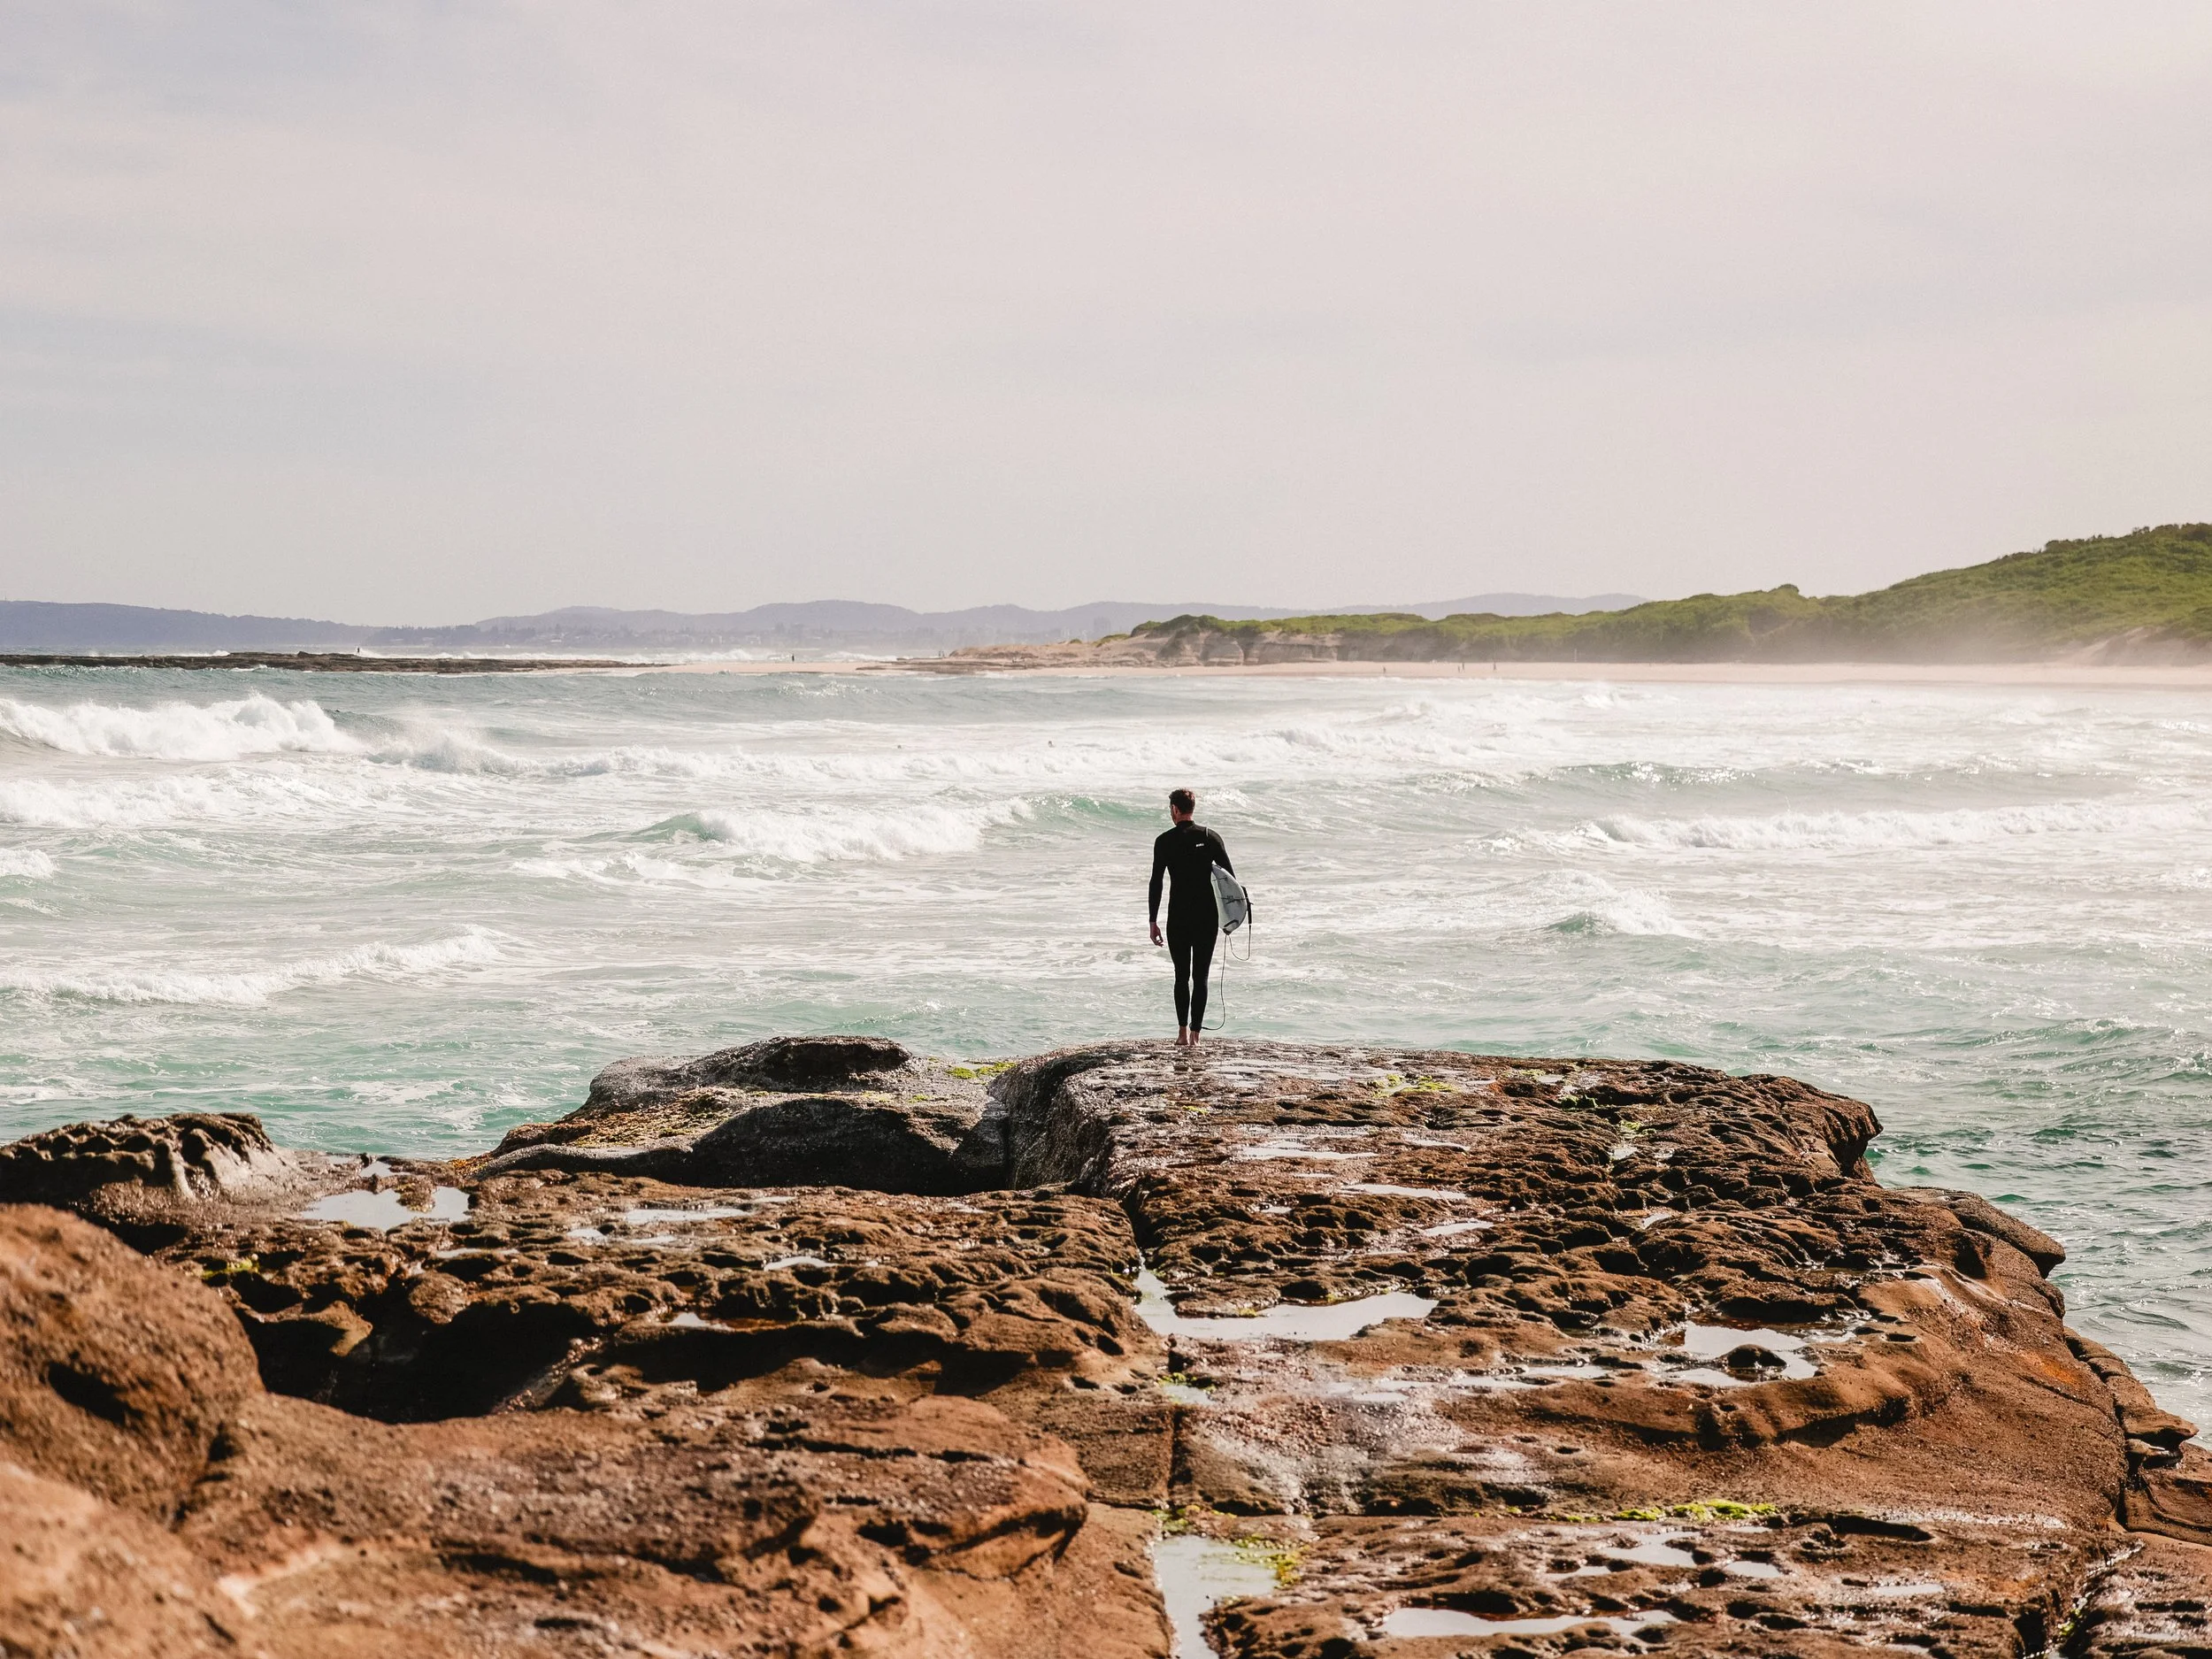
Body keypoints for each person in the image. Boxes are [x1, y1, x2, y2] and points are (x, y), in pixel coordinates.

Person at [1148, 787, 1233, 1047]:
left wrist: (1153, 921)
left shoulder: (1164, 841)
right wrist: (1232, 918)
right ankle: (1196, 1037)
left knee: (1181, 976)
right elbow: (1230, 881)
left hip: (1178, 918)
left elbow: (1156, 883)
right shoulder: (1210, 837)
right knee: (1201, 977)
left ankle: (1182, 1035)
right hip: (1207, 918)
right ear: (1192, 808)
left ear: (1175, 809)